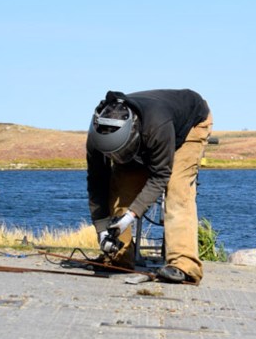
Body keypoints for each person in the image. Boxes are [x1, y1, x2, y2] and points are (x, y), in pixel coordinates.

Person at [86, 89, 212, 284]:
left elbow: (160, 175)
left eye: (120, 155)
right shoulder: (98, 136)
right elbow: (96, 183)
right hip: (146, 135)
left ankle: (184, 266)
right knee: (120, 190)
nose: (117, 160)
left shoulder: (156, 127)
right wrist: (102, 228)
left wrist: (131, 215)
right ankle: (118, 257)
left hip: (189, 125)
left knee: (178, 191)